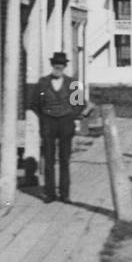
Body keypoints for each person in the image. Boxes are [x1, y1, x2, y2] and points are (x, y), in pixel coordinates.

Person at [35, 51, 89, 203]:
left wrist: (71, 115)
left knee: (65, 159)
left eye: (61, 65)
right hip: (48, 123)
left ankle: (65, 194)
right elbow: (35, 104)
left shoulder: (73, 83)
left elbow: (79, 104)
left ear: (65, 67)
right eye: (56, 65)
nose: (58, 68)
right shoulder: (43, 83)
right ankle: (50, 193)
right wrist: (45, 117)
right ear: (52, 66)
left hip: (66, 123)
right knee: (49, 159)